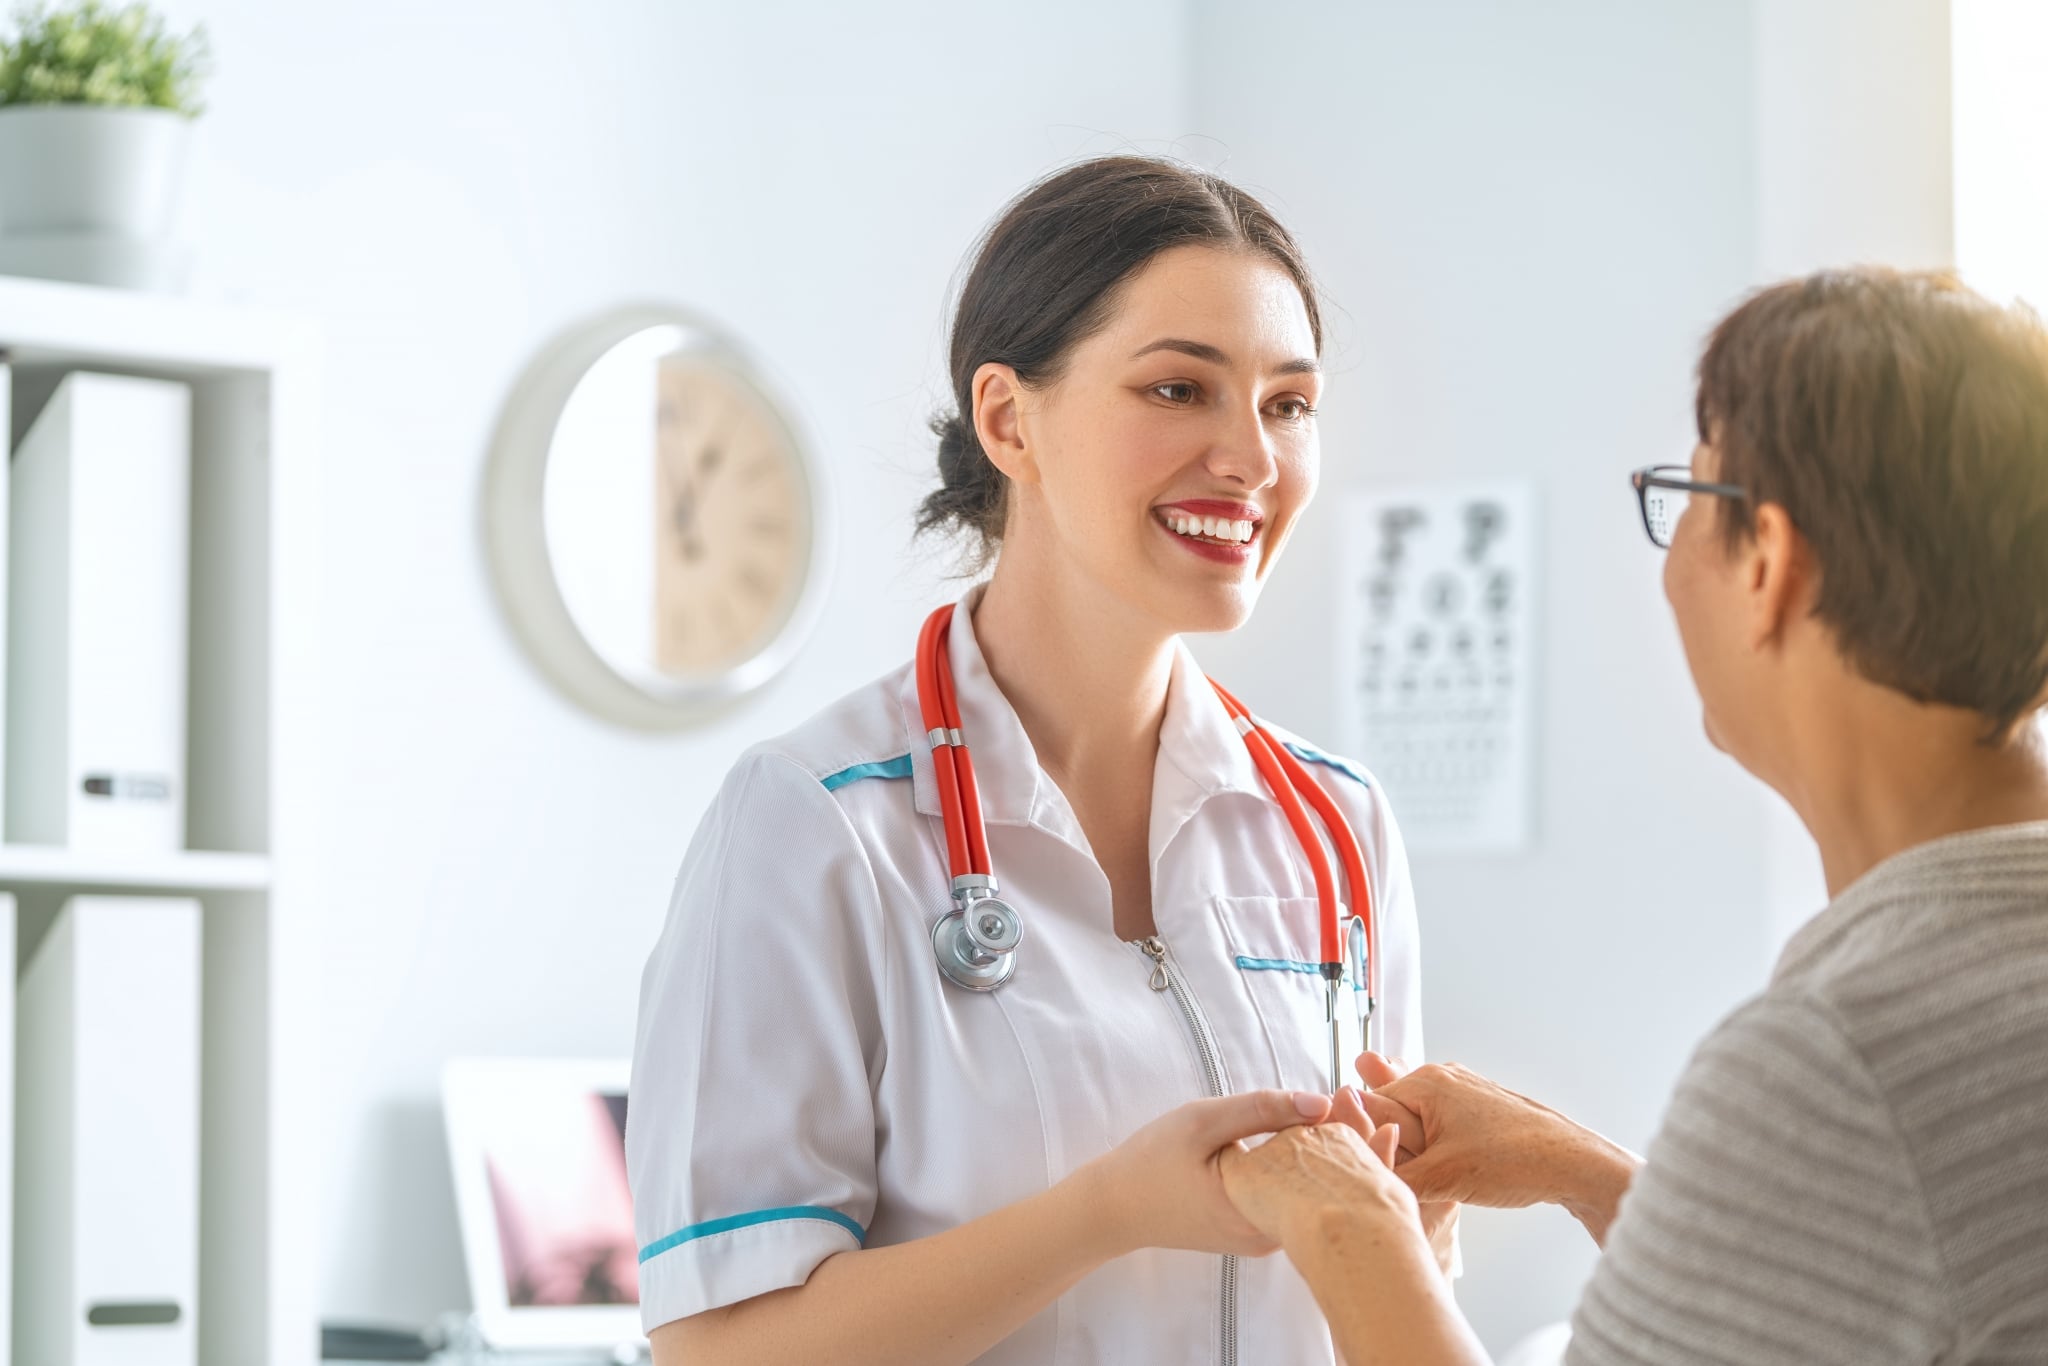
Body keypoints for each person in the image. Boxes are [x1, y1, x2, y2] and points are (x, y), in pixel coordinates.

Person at [626, 156, 1453, 1366]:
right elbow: (720, 1345)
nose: (1252, 459)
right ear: (1009, 419)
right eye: (1179, 389)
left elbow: (1397, 1266)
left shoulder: (1336, 828)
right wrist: (1106, 1213)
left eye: (1287, 403)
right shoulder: (815, 824)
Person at [1215, 267, 2048, 1365]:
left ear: (1769, 563)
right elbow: (1897, 1264)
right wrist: (1593, 1174)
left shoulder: (1835, 1058)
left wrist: (1348, 1225)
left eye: (1689, 501)